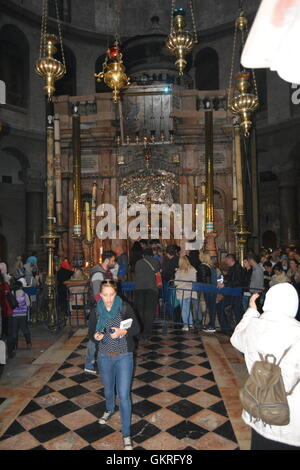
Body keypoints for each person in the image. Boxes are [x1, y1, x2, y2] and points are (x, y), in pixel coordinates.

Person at [230, 284, 300, 450]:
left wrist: (252, 311)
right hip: (290, 416)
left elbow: (235, 339)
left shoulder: (253, 326)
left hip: (259, 408)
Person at [93, 280, 140, 451]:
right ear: (100, 294)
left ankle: (126, 433)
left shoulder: (124, 307)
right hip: (104, 356)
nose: (108, 299)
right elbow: (92, 331)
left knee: (124, 394)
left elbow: (137, 328)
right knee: (107, 389)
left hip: (124, 357)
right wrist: (96, 335)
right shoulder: (96, 310)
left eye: (111, 294)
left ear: (116, 293)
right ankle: (109, 408)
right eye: (105, 295)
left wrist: (123, 331)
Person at [85, 251, 116, 374]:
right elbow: (97, 295)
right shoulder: (98, 274)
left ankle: (105, 361)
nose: (114, 262)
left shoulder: (106, 273)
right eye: (113, 260)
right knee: (95, 336)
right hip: (99, 309)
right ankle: (89, 364)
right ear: (107, 260)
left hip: (106, 307)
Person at [134, 248, 160, 339]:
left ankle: (139, 330)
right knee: (149, 311)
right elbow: (157, 272)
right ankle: (147, 332)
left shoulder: (138, 263)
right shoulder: (156, 262)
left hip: (139, 289)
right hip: (151, 289)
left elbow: (136, 273)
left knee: (140, 310)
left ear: (143, 255)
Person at [174, 255, 197, 331]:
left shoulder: (179, 271)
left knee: (184, 309)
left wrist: (178, 284)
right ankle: (191, 323)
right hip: (190, 291)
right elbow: (194, 281)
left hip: (181, 292)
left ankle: (186, 325)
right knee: (188, 308)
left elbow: (176, 282)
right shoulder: (193, 269)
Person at [11, 280, 32, 351]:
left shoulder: (12, 293)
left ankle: (14, 346)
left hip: (14, 316)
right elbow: (28, 304)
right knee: (25, 329)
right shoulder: (24, 294)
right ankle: (28, 343)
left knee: (14, 331)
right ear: (21, 287)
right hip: (23, 315)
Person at [0, 273, 14, 357]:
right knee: (9, 333)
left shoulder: (4, 285)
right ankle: (10, 352)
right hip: (7, 312)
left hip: (4, 312)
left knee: (5, 334)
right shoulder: (5, 285)